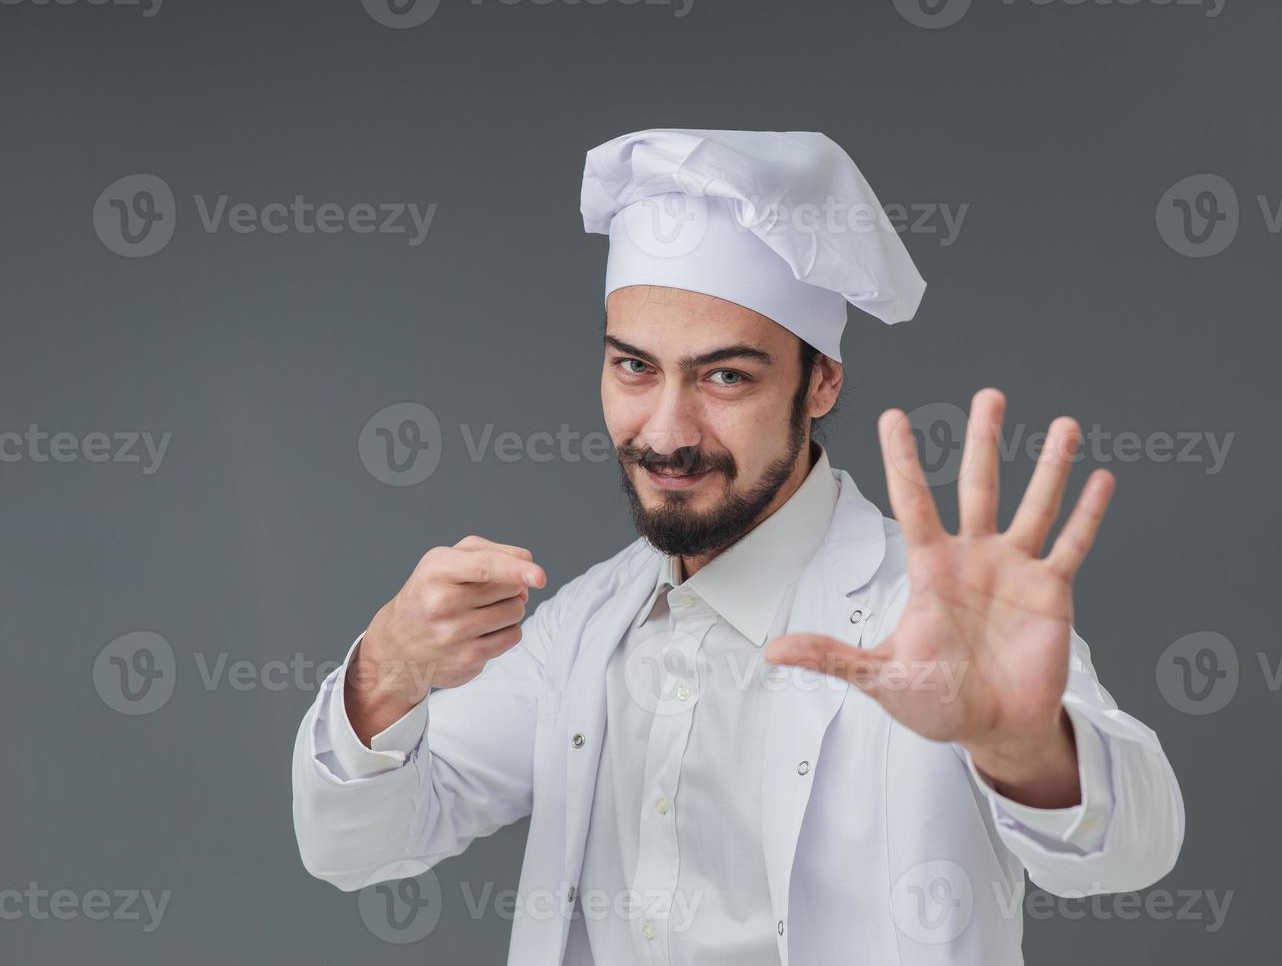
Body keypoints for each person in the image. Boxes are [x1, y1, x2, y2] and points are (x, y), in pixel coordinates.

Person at [292, 128, 1185, 965]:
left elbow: (1126, 855)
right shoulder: (584, 627)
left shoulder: (935, 618)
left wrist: (1019, 743)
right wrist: (388, 672)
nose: (668, 431)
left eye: (725, 376)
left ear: (822, 380)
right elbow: (356, 848)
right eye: (634, 367)